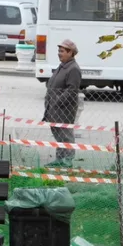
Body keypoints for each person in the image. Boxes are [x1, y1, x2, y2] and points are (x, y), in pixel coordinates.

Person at [44, 39, 82, 167]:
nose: (59, 54)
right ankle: (59, 159)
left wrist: (58, 101)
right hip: (53, 108)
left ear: (70, 53)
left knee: (65, 135)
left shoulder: (73, 69)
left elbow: (72, 90)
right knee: (58, 135)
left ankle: (68, 160)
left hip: (64, 109)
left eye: (62, 51)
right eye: (59, 51)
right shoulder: (62, 66)